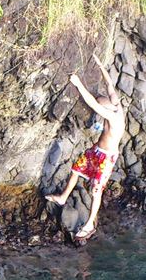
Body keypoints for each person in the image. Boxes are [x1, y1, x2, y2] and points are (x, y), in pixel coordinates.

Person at [45, 55, 127, 240]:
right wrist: (100, 65)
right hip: (97, 151)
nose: (99, 111)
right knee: (76, 169)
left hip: (106, 158)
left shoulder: (114, 116)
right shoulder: (115, 103)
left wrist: (78, 83)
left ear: (106, 108)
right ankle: (63, 197)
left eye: (101, 108)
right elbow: (109, 83)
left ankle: (90, 224)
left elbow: (92, 102)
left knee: (96, 191)